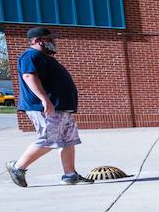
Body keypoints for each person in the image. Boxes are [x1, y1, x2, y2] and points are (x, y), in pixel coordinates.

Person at [5, 27, 94, 187]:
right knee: (49, 139)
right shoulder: (30, 55)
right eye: (50, 39)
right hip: (44, 107)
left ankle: (70, 175)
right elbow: (28, 76)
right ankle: (18, 167)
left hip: (61, 108)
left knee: (68, 141)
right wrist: (44, 99)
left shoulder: (46, 58)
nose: (54, 42)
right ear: (38, 40)